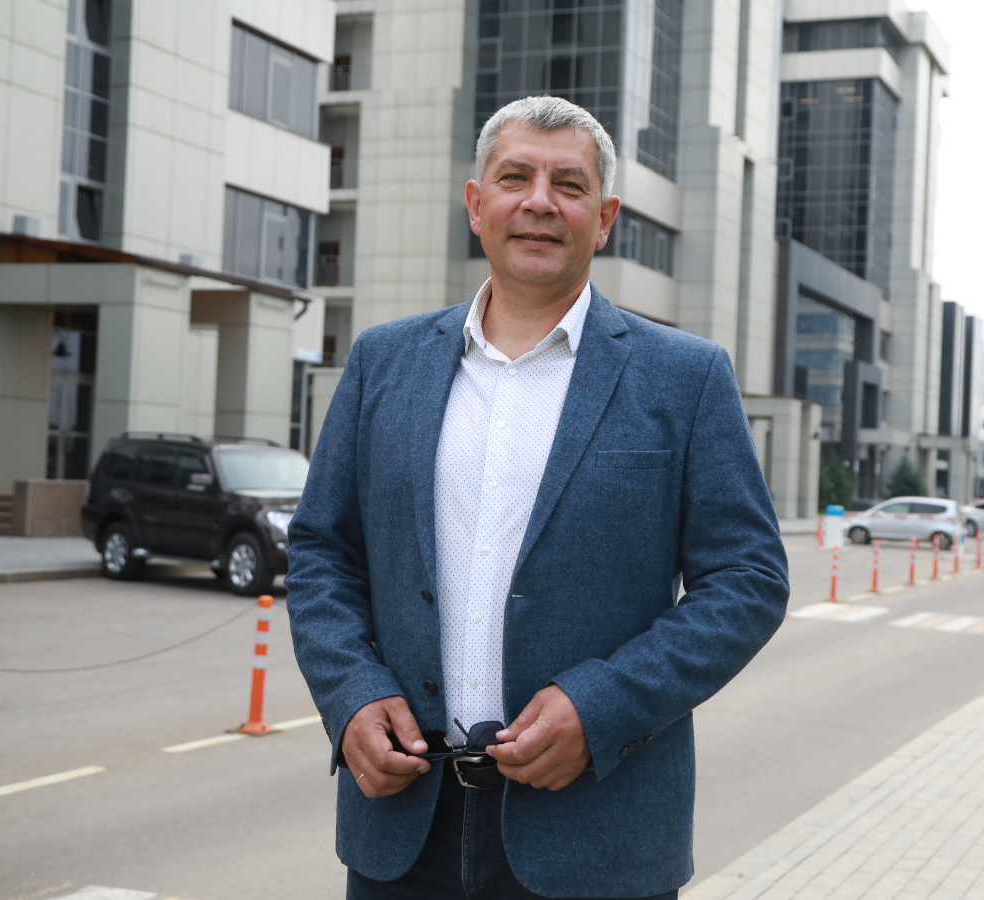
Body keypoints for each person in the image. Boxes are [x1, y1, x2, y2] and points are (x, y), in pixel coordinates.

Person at [286, 96, 789, 900]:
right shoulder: (383, 363)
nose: (540, 202)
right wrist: (352, 694)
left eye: (570, 185)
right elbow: (322, 552)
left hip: (598, 836)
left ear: (605, 218)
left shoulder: (686, 378)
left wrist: (601, 707)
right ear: (476, 204)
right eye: (515, 177)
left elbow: (748, 581)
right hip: (401, 826)